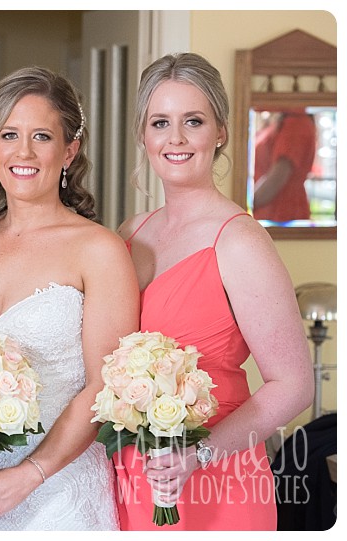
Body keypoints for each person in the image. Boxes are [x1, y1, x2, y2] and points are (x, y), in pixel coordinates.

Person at [0, 66, 139, 531]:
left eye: (41, 136)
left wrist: (28, 476)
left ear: (69, 151)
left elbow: (104, 387)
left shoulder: (98, 250)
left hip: (57, 496)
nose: (23, 152)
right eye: (9, 135)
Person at [115, 52, 314, 531]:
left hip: (216, 476)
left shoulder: (240, 240)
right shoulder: (129, 232)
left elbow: (294, 385)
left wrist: (197, 456)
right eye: (160, 122)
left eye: (194, 121)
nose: (176, 138)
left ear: (220, 131)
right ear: (143, 135)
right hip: (132, 471)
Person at [252, 110, 317, 222]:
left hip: (281, 214)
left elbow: (278, 177)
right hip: (270, 213)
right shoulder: (283, 120)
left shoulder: (296, 123)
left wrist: (244, 204)